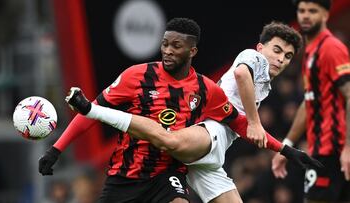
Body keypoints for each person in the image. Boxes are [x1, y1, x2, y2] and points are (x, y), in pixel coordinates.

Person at [63, 22, 322, 203]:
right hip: (210, 132)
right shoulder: (252, 59)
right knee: (168, 140)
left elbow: (244, 126)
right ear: (261, 47)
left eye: (288, 56)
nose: (281, 59)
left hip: (212, 157)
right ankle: (93, 110)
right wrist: (255, 123)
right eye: (276, 50)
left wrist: (287, 151)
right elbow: (242, 75)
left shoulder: (265, 82)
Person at [39, 17, 245, 203]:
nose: (168, 50)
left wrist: (277, 147)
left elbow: (239, 122)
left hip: (167, 175)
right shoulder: (136, 76)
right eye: (164, 44)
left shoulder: (206, 88)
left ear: (192, 51)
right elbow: (91, 112)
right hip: (126, 176)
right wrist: (56, 149)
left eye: (176, 45)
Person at [271, 0, 350, 202]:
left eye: (312, 11)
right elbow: (308, 102)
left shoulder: (331, 48)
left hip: (333, 151)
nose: (305, 15)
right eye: (302, 10)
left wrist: (348, 148)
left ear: (325, 15)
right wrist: (286, 145)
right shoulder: (310, 51)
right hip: (321, 150)